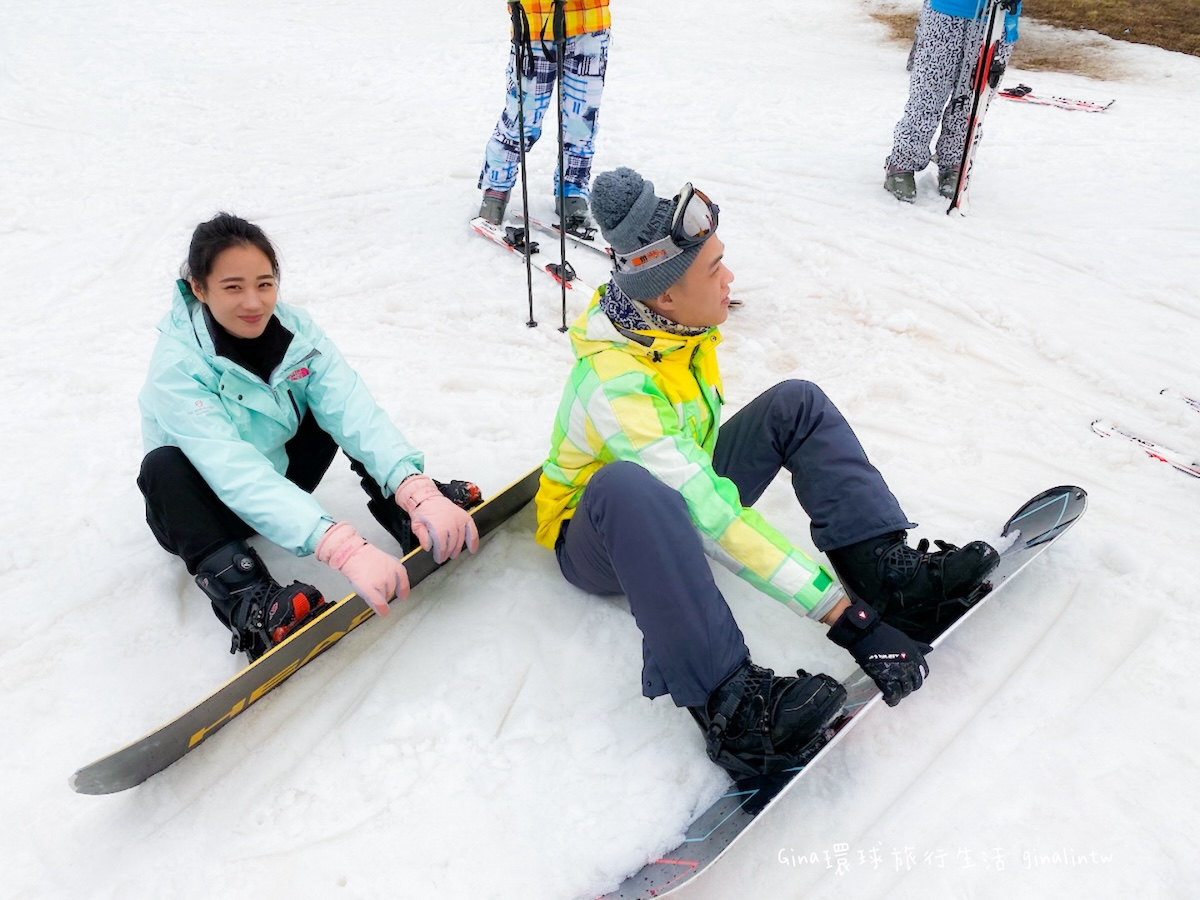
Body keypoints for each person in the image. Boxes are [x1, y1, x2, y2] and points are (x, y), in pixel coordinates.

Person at [534, 168, 1001, 778]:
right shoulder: (616, 383)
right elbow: (708, 510)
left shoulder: (670, 328)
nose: (729, 278)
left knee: (795, 403)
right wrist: (843, 619)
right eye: (713, 269)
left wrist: (866, 607)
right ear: (666, 294)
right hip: (603, 536)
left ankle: (888, 579)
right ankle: (731, 706)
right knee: (629, 486)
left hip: (676, 487)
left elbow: (697, 483)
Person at [138, 213, 480, 660]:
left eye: (264, 284)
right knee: (163, 466)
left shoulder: (296, 331)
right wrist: (339, 546)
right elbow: (232, 472)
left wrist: (413, 487)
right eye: (233, 287)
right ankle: (251, 601)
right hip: (204, 510)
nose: (253, 302)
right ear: (199, 289)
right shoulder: (177, 366)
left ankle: (404, 512)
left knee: (329, 409)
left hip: (279, 477)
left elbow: (351, 408)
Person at [477, 0, 611, 230]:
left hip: (589, 23)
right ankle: (497, 186)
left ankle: (572, 186)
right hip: (533, 23)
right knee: (522, 116)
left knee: (581, 119)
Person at [884, 0, 1021, 201]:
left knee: (972, 99)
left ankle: (955, 163)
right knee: (928, 91)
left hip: (996, 18)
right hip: (946, 10)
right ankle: (902, 163)